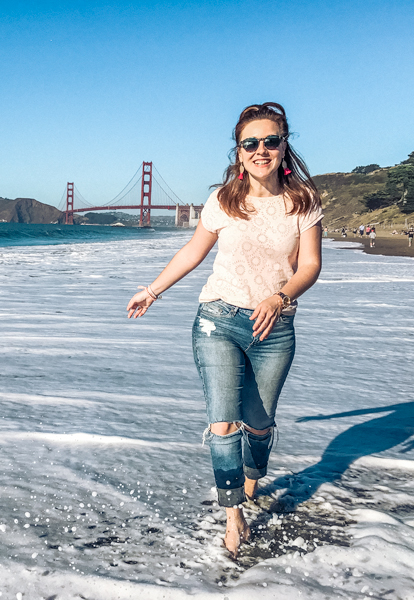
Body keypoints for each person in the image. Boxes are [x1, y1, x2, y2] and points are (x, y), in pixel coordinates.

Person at [126, 102, 323, 559]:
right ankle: (234, 516)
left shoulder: (303, 202)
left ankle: (253, 478)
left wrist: (280, 297)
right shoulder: (222, 200)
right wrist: (152, 291)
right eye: (249, 143)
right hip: (217, 321)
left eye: (270, 141)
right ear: (238, 152)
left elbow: (310, 265)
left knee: (258, 423)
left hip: (274, 326)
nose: (260, 150)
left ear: (284, 146)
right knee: (221, 423)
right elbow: (192, 253)